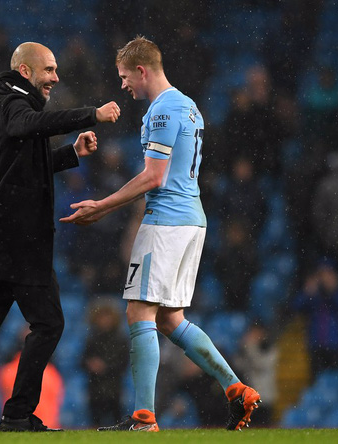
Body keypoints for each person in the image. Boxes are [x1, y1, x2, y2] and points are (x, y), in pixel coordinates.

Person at [60, 36, 261, 432]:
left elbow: (155, 176)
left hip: (167, 221)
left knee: (139, 312)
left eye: (123, 77)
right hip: (191, 220)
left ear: (141, 70)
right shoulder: (188, 106)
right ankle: (236, 389)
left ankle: (143, 418)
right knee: (170, 319)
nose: (122, 85)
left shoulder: (163, 109)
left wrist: (102, 205)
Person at [0, 42, 120, 433]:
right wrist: (92, 115)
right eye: (49, 70)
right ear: (25, 72)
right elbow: (29, 127)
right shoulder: (9, 104)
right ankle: (16, 414)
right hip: (18, 242)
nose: (56, 77)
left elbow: (23, 165)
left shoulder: (12, 108)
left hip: (4, 241)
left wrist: (71, 153)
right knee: (48, 324)